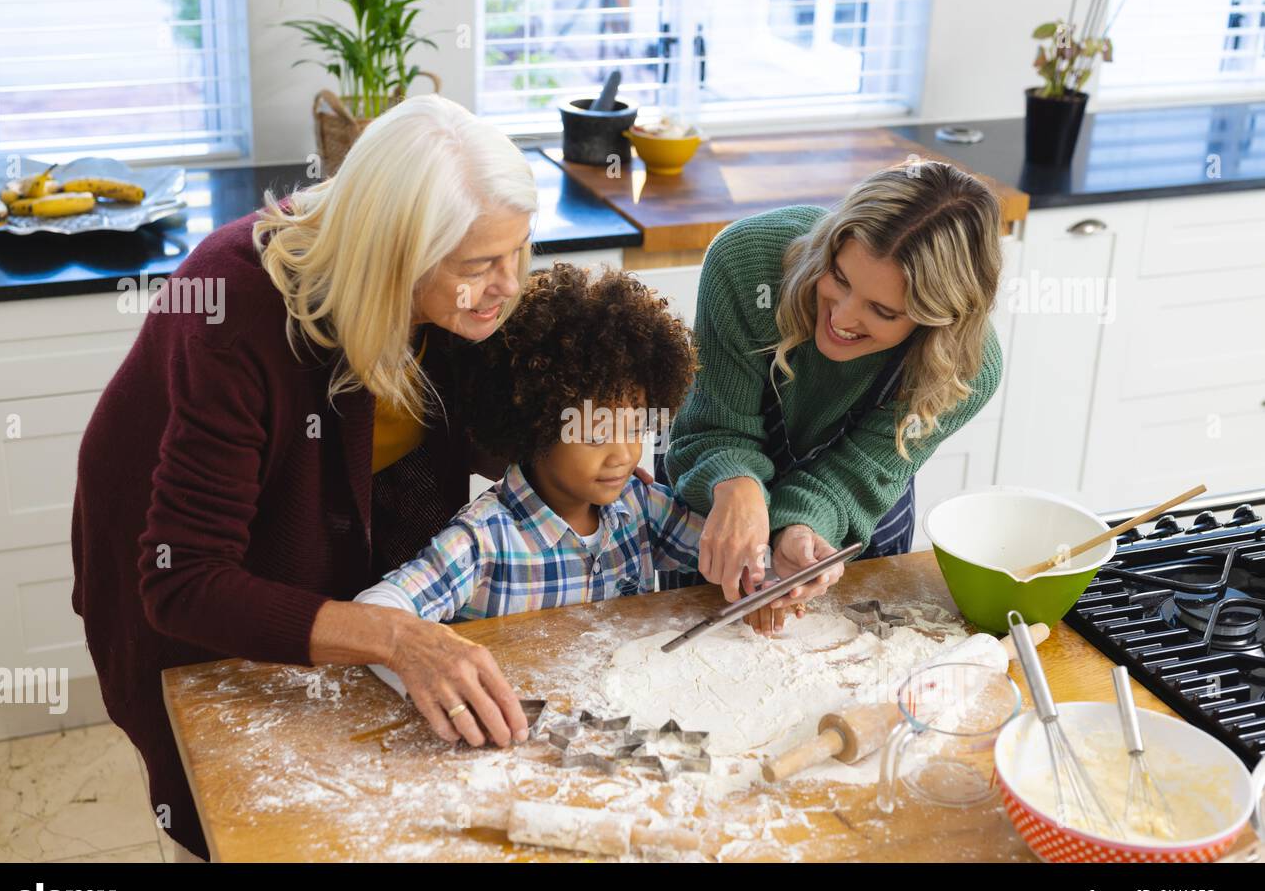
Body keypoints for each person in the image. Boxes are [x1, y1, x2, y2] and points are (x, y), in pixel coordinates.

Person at [71, 95, 538, 861]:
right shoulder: (232, 308)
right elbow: (183, 579)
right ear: (395, 255)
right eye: (481, 266)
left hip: (332, 549)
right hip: (184, 589)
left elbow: (499, 435)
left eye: (519, 251)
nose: (510, 284)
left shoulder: (465, 292)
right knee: (235, 820)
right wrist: (394, 636)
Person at [662, 161, 1004, 632]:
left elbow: (851, 479)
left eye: (882, 310)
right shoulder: (748, 264)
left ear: (936, 320)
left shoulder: (962, 371)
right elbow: (715, 423)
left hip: (847, 515)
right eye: (839, 278)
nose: (842, 317)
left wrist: (803, 531)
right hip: (715, 508)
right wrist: (735, 485)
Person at [355, 262, 701, 654]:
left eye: (636, 428)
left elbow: (728, 548)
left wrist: (771, 551)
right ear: (535, 426)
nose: (623, 453)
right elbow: (377, 611)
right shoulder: (483, 540)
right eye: (595, 434)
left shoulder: (640, 507)